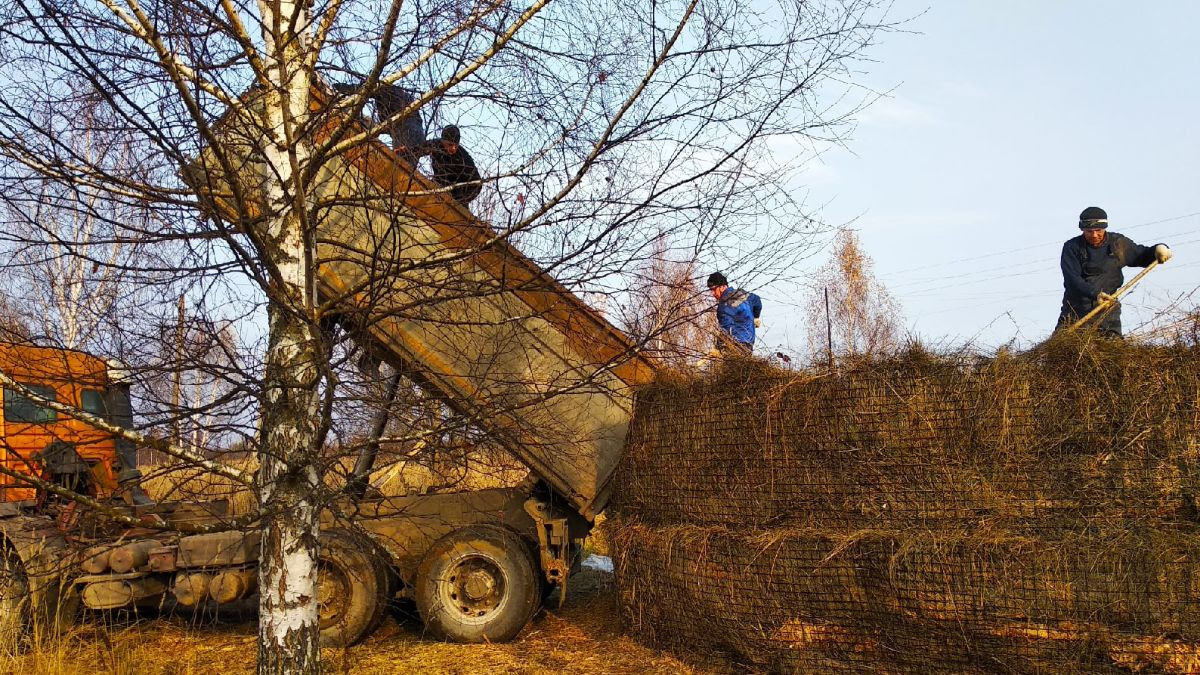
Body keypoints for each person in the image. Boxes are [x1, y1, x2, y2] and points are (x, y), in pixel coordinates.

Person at [1056, 206, 1173, 337]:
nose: (1094, 235)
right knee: (1060, 350)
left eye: (1098, 230)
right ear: (1082, 230)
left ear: (1105, 228)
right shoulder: (1072, 247)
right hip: (1075, 311)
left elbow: (1142, 255)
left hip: (1108, 310)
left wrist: (1159, 249)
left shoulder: (1117, 244)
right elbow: (1073, 280)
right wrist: (1096, 294)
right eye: (1089, 231)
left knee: (1111, 351)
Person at [331, 80, 425, 158]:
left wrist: (336, 87)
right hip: (417, 134)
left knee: (399, 164)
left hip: (407, 132)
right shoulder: (399, 96)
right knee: (405, 168)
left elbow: (362, 90)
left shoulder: (385, 90)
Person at [413, 125, 482, 207]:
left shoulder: (464, 158)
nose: (453, 148)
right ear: (443, 141)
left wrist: (461, 200)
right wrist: (405, 151)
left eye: (456, 146)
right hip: (439, 185)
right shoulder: (436, 145)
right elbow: (417, 150)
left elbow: (477, 183)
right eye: (450, 145)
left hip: (457, 196)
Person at [707, 272, 762, 351]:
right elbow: (757, 301)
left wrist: (718, 348)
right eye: (710, 290)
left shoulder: (724, 306)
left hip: (735, 346)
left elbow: (725, 330)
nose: (712, 293)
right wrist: (756, 317)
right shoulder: (742, 294)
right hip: (749, 343)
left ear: (722, 286)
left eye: (714, 289)